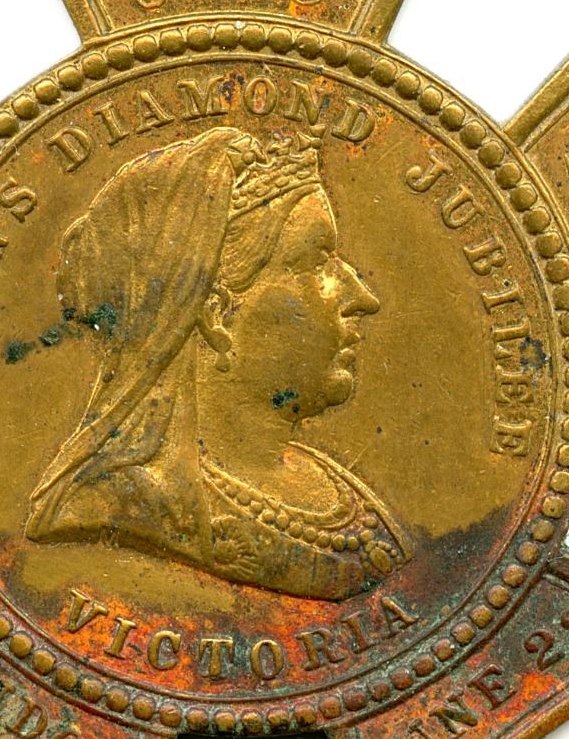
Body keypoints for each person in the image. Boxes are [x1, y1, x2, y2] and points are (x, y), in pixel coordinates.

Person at [25, 125, 407, 599]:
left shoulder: (337, 492)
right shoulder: (116, 507)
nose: (361, 296)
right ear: (216, 314)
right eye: (318, 263)